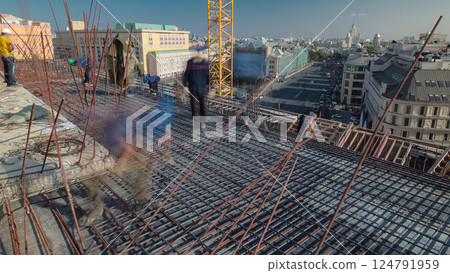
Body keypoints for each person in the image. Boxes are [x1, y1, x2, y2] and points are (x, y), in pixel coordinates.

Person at [183, 46, 209, 122]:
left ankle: (203, 121)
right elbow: (186, 75)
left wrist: (212, 87)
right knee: (194, 107)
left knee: (203, 107)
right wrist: (185, 86)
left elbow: (209, 76)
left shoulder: (205, 63)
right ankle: (195, 122)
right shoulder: (190, 62)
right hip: (193, 89)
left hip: (203, 89)